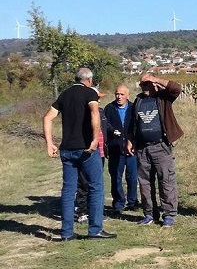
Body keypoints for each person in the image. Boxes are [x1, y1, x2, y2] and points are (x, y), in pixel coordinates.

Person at [42, 67, 116, 240]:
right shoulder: (90, 93)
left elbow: (47, 118)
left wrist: (50, 143)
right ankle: (95, 229)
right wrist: (95, 139)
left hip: (67, 149)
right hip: (86, 149)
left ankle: (67, 233)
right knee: (96, 187)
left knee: (68, 190)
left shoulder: (64, 95)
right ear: (89, 80)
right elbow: (94, 112)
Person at [127, 73, 183, 228]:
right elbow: (133, 123)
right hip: (142, 148)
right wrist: (130, 140)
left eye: (146, 83)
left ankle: (169, 215)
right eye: (142, 84)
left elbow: (177, 88)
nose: (144, 87)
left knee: (166, 181)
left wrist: (156, 79)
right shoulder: (138, 100)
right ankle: (149, 214)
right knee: (144, 183)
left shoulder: (163, 98)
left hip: (161, 146)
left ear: (153, 83)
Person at [75, 86, 108, 223]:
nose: (98, 100)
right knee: (83, 183)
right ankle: (82, 211)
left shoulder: (100, 111)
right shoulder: (83, 114)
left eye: (99, 98)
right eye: (97, 98)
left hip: (100, 152)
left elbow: (105, 128)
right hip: (88, 152)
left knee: (96, 184)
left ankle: (95, 212)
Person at [105, 83, 139, 213]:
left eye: (122, 94)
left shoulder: (133, 108)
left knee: (132, 177)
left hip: (131, 150)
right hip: (115, 149)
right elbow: (105, 124)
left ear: (128, 96)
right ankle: (118, 203)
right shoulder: (109, 108)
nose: (119, 97)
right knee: (116, 177)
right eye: (117, 94)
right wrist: (112, 130)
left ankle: (133, 202)